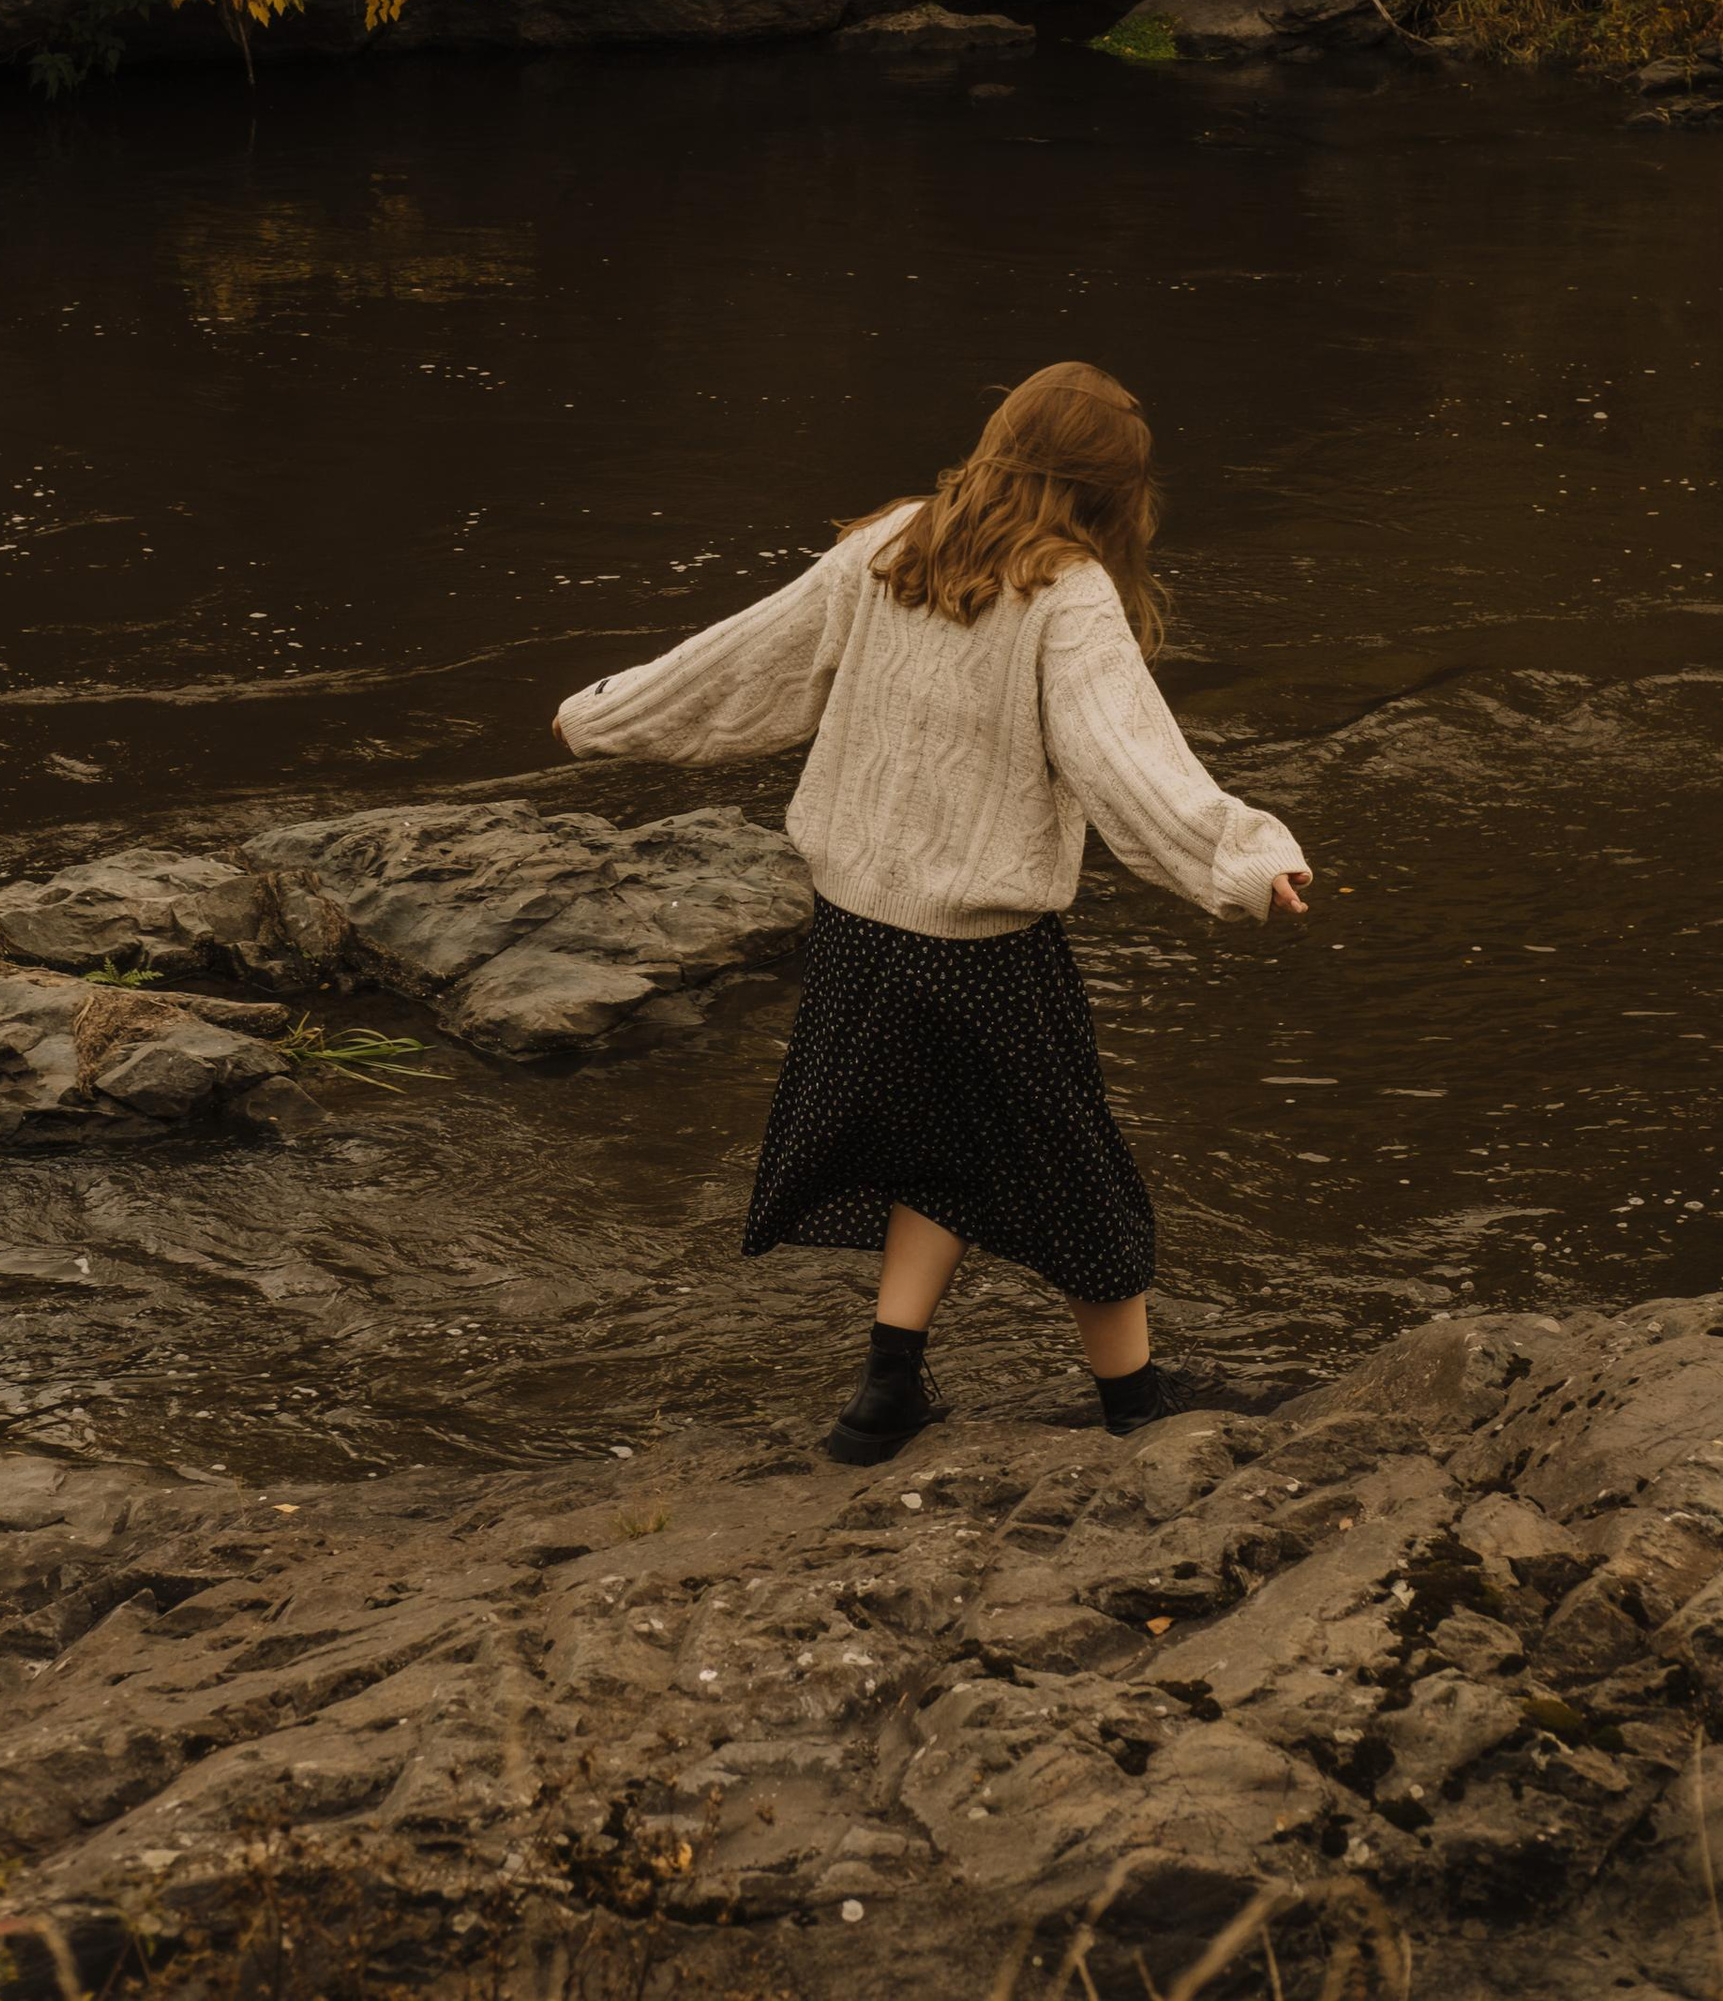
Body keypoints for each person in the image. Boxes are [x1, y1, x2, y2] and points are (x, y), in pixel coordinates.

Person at [551, 358, 1312, 1463]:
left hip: (857, 927)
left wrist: (604, 715)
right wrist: (1243, 858)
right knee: (1079, 1180)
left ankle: (885, 1391)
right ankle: (1138, 1405)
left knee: (935, 1149)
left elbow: (744, 662)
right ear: (1110, 491)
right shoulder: (1067, 592)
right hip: (978, 947)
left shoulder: (894, 541)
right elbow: (1126, 762)